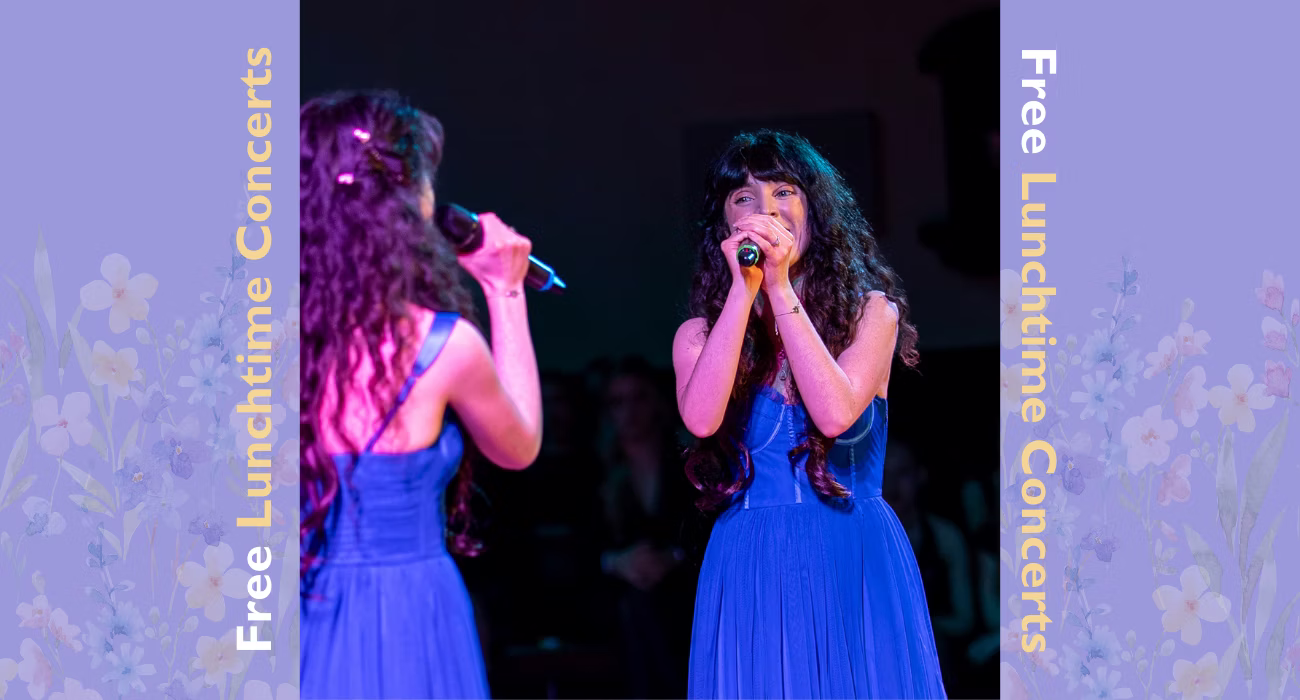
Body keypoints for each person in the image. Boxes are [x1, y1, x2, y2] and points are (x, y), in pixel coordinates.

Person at [673, 130, 946, 698]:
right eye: (743, 197)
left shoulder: (872, 314)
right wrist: (745, 293)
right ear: (724, 224)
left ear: (814, 210)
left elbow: (835, 413)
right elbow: (700, 420)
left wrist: (779, 288)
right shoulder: (699, 335)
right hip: (751, 561)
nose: (765, 210)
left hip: (849, 550)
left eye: (783, 192)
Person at [299, 91, 543, 699]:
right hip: (413, 612)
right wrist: (506, 290)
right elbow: (519, 447)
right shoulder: (439, 345)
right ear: (407, 207)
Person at [596, 357, 698, 698]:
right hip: (619, 595)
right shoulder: (595, 471)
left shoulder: (686, 465)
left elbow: (702, 532)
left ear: (656, 401)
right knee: (634, 607)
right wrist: (617, 562)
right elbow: (584, 547)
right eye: (618, 402)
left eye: (638, 397)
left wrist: (672, 557)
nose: (630, 412)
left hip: (679, 586)